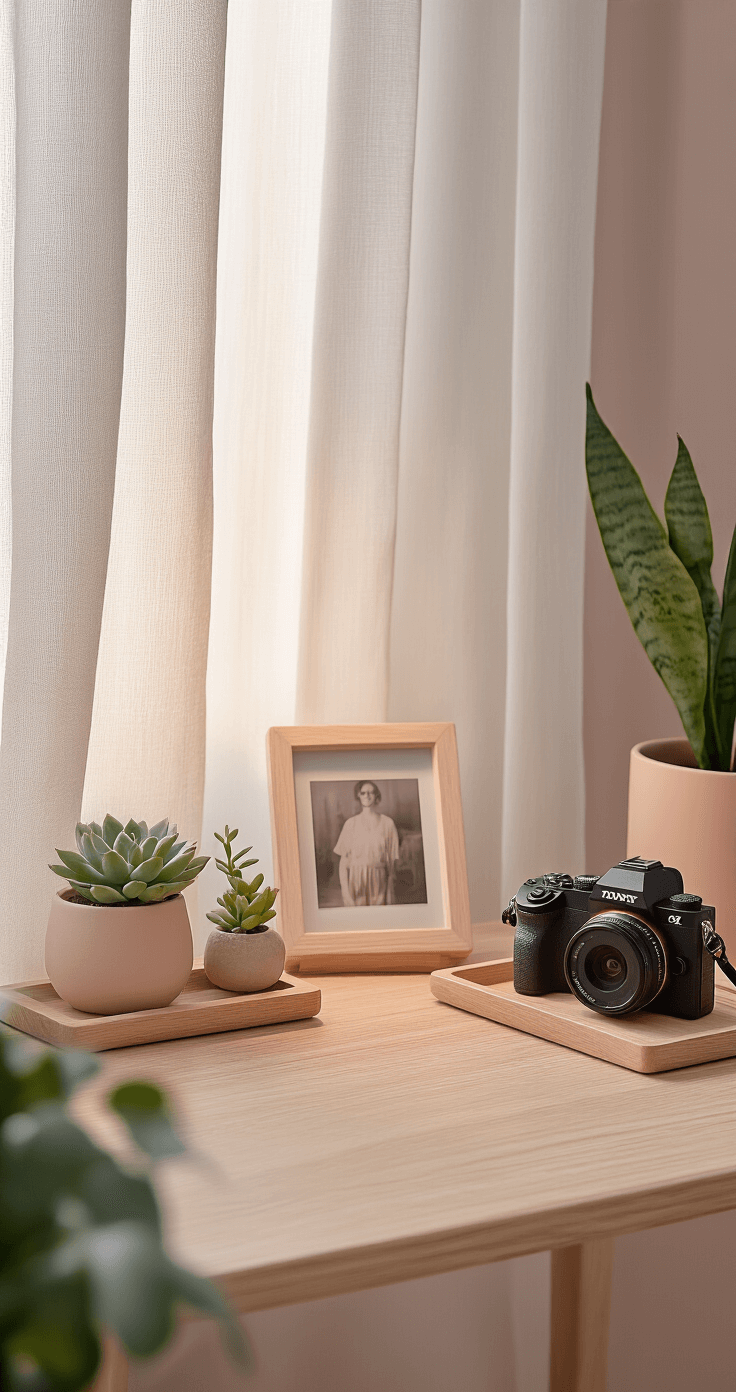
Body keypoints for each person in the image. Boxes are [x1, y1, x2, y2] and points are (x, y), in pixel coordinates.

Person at [333, 782, 400, 906]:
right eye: (363, 793)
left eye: (371, 792)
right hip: (356, 880)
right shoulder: (350, 824)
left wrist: (390, 889)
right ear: (358, 795)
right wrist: (345, 891)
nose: (367, 796)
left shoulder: (388, 823)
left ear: (376, 796)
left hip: (379, 880)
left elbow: (392, 862)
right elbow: (344, 863)